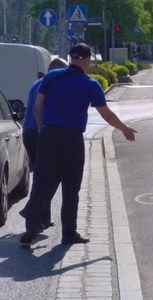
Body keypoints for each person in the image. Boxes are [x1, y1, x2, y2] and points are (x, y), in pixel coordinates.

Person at [20, 43, 137, 246]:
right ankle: (68, 233)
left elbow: (38, 106)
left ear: (71, 58)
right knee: (71, 185)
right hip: (72, 138)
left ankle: (31, 227)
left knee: (42, 181)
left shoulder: (51, 77)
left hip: (48, 135)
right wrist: (124, 128)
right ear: (86, 60)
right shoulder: (90, 84)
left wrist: (42, 129)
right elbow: (106, 114)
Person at [20, 57, 68, 230]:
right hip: (39, 132)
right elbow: (41, 108)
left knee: (44, 175)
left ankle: (41, 217)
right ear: (56, 71)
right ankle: (32, 211)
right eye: (65, 70)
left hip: (29, 131)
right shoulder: (49, 85)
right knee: (51, 175)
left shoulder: (39, 82)